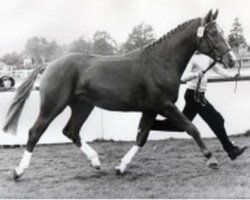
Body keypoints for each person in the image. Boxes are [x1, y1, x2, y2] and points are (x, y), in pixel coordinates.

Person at [151, 51, 247, 160]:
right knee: (217, 120)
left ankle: (150, 124)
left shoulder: (207, 57)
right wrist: (196, 74)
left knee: (181, 125)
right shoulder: (192, 58)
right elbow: (183, 77)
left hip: (199, 95)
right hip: (193, 95)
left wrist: (232, 75)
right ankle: (231, 150)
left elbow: (217, 70)